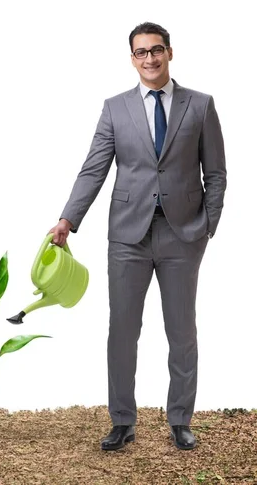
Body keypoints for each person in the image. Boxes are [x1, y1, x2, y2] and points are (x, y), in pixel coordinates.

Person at [49, 22, 226, 451]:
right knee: (123, 331)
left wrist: (207, 226)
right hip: (128, 235)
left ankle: (180, 420)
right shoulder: (115, 108)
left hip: (183, 235)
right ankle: (122, 421)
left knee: (182, 331)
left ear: (170, 52)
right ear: (132, 58)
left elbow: (216, 173)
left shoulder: (200, 106)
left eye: (157, 50)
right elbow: (94, 168)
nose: (150, 58)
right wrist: (67, 220)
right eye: (141, 52)